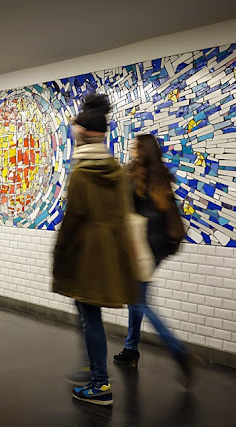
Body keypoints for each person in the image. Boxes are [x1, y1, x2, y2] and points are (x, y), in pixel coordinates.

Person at [52, 93, 138, 406]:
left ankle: (100, 383)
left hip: (88, 258)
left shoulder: (81, 176)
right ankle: (94, 366)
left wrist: (60, 257)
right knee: (89, 316)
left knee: (89, 318)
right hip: (112, 257)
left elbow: (73, 223)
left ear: (83, 137)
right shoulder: (117, 171)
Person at [113, 134, 199, 387]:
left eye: (135, 147)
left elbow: (125, 208)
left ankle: (179, 352)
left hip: (141, 245)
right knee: (137, 296)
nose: (131, 150)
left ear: (142, 151)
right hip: (159, 246)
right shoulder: (161, 175)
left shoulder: (135, 174)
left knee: (139, 302)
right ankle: (130, 347)